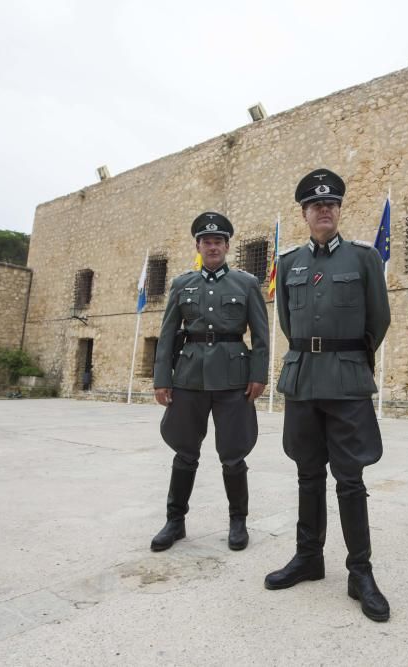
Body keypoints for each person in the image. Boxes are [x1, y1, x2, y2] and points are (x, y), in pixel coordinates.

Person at [264, 168, 392, 623]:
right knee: (307, 473)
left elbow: (378, 321)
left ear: (339, 210)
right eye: (316, 205)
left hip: (346, 380)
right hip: (302, 380)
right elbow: (286, 323)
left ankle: (361, 571)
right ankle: (308, 557)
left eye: (331, 204)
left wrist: (346, 360)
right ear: (304, 213)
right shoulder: (291, 262)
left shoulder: (363, 259)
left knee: (351, 478)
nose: (324, 210)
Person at [150, 212, 269, 553]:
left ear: (227, 246)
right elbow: (169, 334)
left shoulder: (246, 284)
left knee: (233, 454)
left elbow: (260, 334)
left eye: (218, 241)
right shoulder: (181, 284)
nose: (213, 246)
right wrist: (163, 378)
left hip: (234, 378)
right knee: (185, 451)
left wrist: (259, 374)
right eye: (207, 241)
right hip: (189, 377)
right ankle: (175, 522)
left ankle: (238, 521)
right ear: (198, 246)